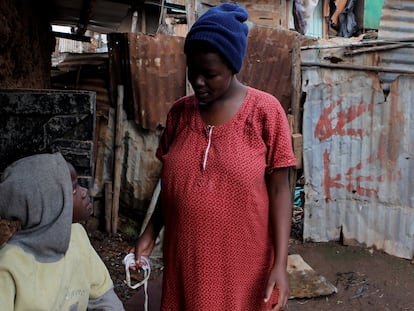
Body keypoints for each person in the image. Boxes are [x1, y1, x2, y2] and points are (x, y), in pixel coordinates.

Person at [131, 3, 296, 310]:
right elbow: (172, 186)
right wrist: (150, 233)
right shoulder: (180, 114)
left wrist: (280, 264)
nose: (198, 82)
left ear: (233, 67)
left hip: (244, 267)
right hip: (185, 261)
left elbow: (280, 189)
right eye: (193, 71)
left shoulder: (265, 112)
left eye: (210, 74)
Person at [0, 153, 125, 311]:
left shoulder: (77, 236)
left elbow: (103, 298)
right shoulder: (9, 265)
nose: (84, 192)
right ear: (48, 204)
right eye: (73, 189)